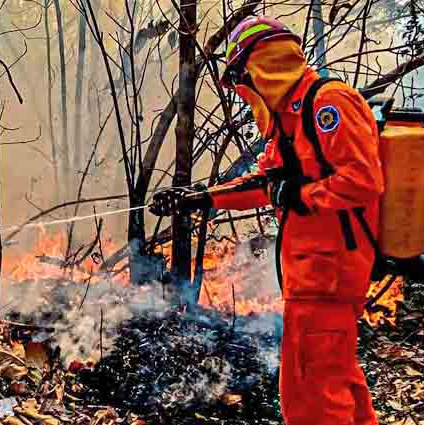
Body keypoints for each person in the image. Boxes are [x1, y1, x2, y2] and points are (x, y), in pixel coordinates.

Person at [148, 16, 383, 425]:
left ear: (263, 67)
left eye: (243, 81)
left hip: (331, 274)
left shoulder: (328, 103)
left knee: (318, 394)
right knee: (326, 381)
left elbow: (362, 180)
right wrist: (201, 198)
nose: (244, 94)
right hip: (311, 277)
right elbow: (266, 184)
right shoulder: (288, 123)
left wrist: (300, 195)